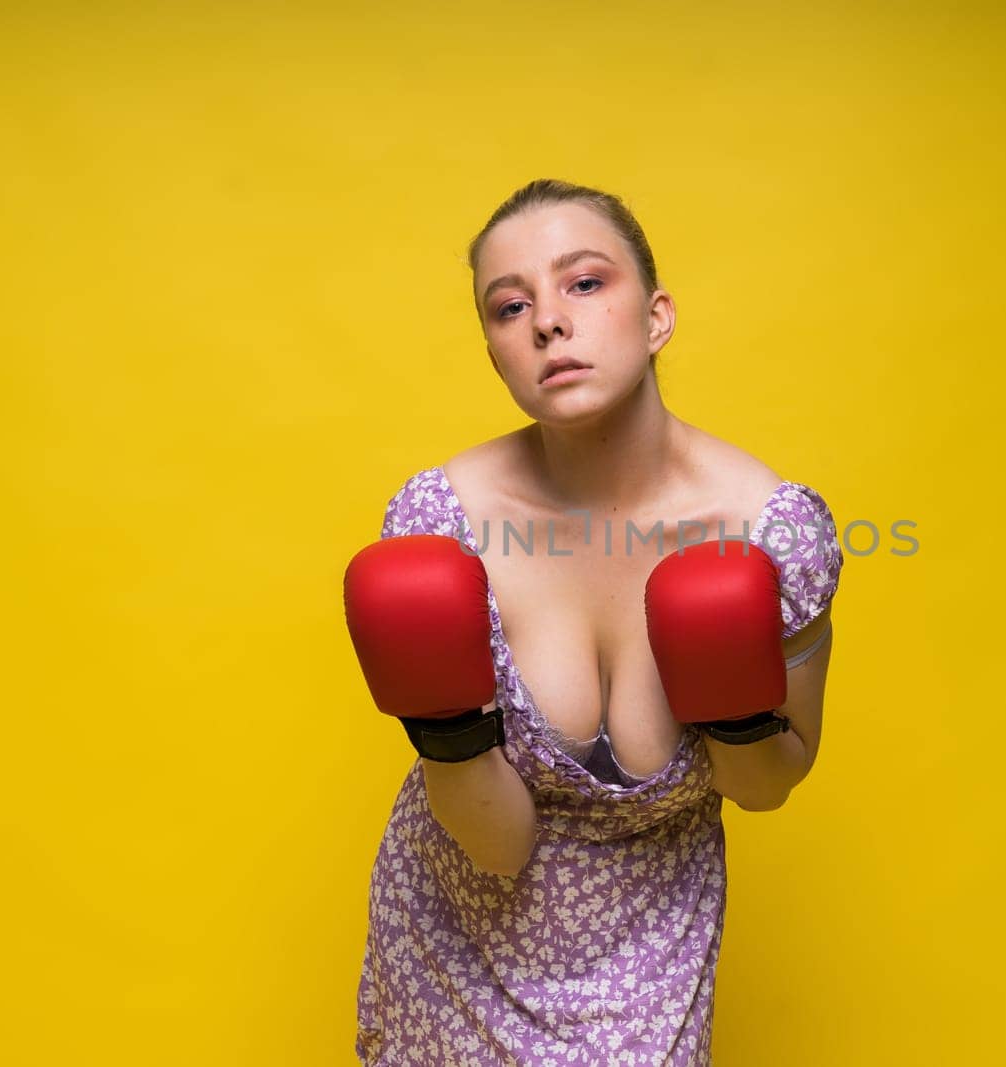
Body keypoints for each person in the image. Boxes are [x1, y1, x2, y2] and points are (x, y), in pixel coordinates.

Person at [346, 178, 844, 1065]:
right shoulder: (441, 522)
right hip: (457, 946)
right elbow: (499, 846)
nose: (547, 321)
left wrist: (735, 704)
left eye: (583, 283)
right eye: (510, 306)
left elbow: (765, 785)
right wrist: (448, 730)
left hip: (651, 963)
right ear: (495, 348)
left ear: (656, 318)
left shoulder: (774, 533)